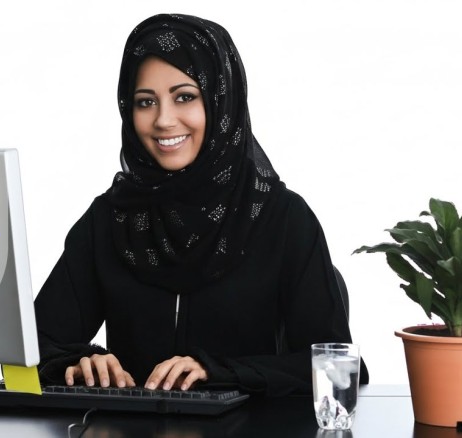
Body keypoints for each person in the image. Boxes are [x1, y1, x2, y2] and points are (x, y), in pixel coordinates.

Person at [34, 13, 368, 396]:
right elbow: (32, 346)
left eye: (185, 97)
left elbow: (339, 369)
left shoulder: (283, 219)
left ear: (221, 100)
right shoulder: (112, 219)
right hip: (131, 425)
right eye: (146, 102)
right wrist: (78, 362)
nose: (163, 120)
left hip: (252, 425)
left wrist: (218, 372)